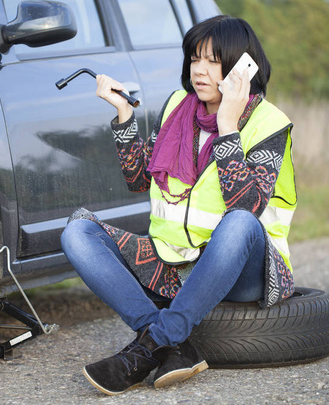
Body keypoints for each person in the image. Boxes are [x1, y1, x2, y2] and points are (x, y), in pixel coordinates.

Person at [60, 15, 297, 396]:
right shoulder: (178, 107)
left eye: (213, 61)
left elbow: (248, 205)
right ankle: (173, 346)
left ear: (241, 67)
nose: (200, 71)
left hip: (244, 268)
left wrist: (228, 126)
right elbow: (140, 179)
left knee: (238, 223)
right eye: (194, 59)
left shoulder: (270, 124)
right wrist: (124, 114)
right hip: (175, 264)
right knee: (78, 232)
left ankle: (148, 347)